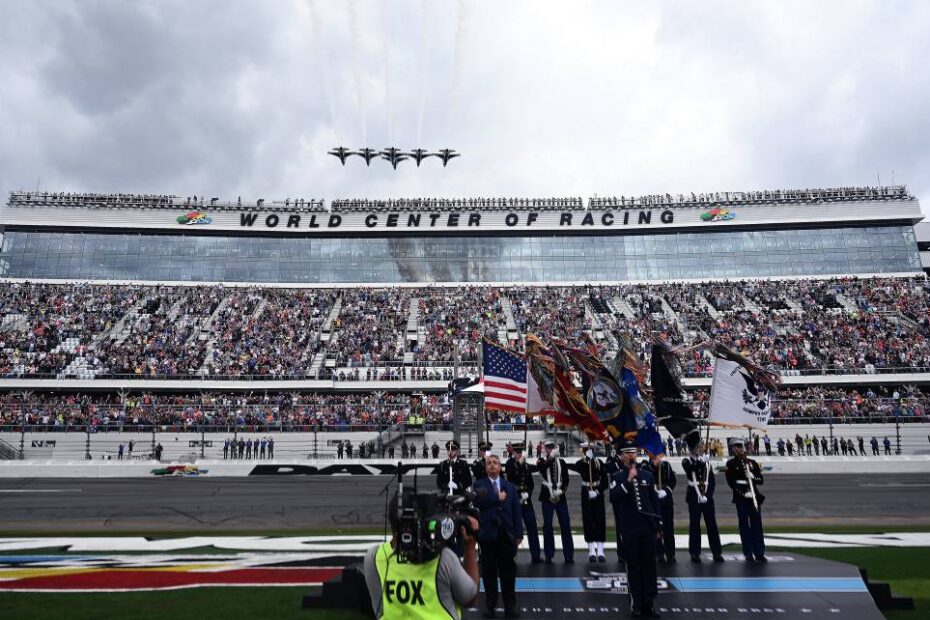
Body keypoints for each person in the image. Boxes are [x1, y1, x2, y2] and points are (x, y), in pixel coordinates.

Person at [363, 492, 479, 619]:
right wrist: (470, 549)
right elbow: (469, 598)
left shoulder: (374, 558)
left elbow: (379, 611)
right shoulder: (443, 558)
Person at [609, 439, 661, 618]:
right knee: (633, 567)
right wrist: (629, 481)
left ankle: (649, 602)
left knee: (649, 567)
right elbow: (613, 497)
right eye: (628, 453)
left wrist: (658, 526)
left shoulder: (647, 475)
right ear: (622, 456)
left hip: (647, 528)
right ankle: (636, 602)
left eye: (634, 453)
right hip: (630, 529)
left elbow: (654, 503)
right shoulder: (617, 477)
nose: (631, 456)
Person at [474, 453, 523, 619]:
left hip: (507, 536)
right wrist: (497, 497)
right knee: (488, 574)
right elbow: (479, 503)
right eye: (489, 463)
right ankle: (490, 605)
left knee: (508, 573)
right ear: (486, 467)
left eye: (495, 462)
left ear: (500, 467)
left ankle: (511, 606)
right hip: (487, 536)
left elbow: (516, 510)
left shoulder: (510, 486)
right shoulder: (479, 485)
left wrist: (519, 533)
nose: (492, 465)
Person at [725, 438, 766, 562]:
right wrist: (743, 493)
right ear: (733, 448)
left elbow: (761, 480)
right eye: (737, 446)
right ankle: (748, 552)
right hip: (741, 498)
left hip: (754, 497)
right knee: (744, 526)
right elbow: (731, 482)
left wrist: (753, 476)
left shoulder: (752, 463)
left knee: (757, 525)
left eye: (742, 446)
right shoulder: (731, 464)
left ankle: (759, 551)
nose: (741, 448)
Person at [681, 443, 724, 563]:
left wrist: (708, 495)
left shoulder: (708, 463)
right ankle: (695, 553)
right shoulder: (686, 461)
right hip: (694, 497)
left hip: (707, 498)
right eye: (696, 447)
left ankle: (717, 553)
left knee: (712, 526)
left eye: (700, 448)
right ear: (691, 449)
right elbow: (691, 469)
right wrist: (701, 462)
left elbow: (711, 482)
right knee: (694, 526)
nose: (699, 449)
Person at [503, 441, 542, 564]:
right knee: (513, 530)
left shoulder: (525, 465)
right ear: (513, 452)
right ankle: (511, 556)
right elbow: (512, 475)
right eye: (517, 452)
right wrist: (520, 464)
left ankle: (536, 556)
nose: (519, 455)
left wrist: (528, 494)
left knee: (532, 528)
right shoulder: (510, 463)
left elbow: (530, 483)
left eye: (521, 452)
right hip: (514, 500)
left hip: (526, 500)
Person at [537, 439, 573, 564]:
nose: (551, 449)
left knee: (565, 524)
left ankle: (569, 555)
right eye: (548, 447)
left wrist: (562, 491)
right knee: (547, 526)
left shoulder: (562, 462)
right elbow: (542, 468)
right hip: (547, 496)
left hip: (560, 497)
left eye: (552, 447)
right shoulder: (541, 460)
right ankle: (548, 554)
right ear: (545, 449)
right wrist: (550, 458)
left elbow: (566, 479)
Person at [643, 451, 677, 564]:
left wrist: (666, 491)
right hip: (653, 501)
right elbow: (644, 481)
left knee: (668, 529)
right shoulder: (645, 466)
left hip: (666, 500)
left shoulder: (666, 465)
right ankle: (659, 554)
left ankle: (670, 553)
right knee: (656, 529)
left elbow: (673, 480)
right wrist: (654, 465)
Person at [578, 441, 607, 563]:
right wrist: (587, 461)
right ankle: (591, 551)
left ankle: (600, 551)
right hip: (586, 492)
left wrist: (598, 491)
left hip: (597, 492)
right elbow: (580, 468)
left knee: (600, 519)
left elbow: (605, 480)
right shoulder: (582, 463)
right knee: (588, 520)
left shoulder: (599, 463)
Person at [603, 443, 625, 562]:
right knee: (620, 527)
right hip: (617, 497)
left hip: (629, 497)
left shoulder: (629, 461)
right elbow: (607, 468)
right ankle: (621, 553)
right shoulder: (612, 460)